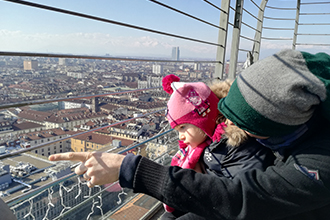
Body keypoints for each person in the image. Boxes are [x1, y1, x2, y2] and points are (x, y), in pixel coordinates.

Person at [49, 49, 330, 220]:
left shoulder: (322, 161)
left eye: (244, 123)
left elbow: (244, 199)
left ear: (278, 124)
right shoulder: (293, 131)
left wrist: (132, 170)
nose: (230, 125)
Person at [160, 75, 275, 219]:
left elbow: (239, 198)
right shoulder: (207, 140)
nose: (181, 137)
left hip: (231, 206)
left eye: (183, 127)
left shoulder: (237, 144)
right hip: (211, 196)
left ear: (202, 119)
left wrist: (196, 180)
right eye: (177, 130)